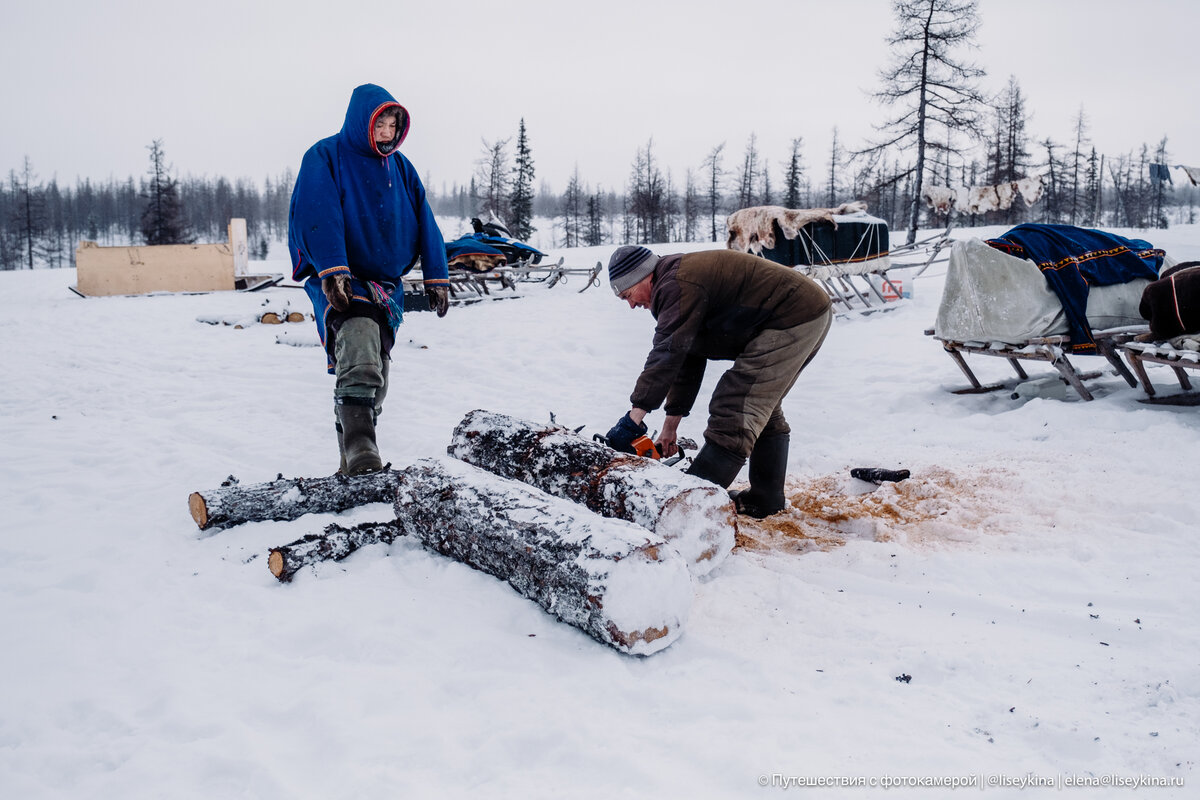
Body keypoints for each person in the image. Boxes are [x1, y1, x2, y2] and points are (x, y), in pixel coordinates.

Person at [288, 83, 450, 475]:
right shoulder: (326, 156)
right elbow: (317, 212)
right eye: (381, 124)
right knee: (358, 342)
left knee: (376, 370)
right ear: (363, 121)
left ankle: (354, 461)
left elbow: (425, 220)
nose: (388, 133)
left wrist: (437, 276)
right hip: (341, 279)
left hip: (384, 286)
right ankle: (362, 447)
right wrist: (333, 268)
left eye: (394, 126)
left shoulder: (402, 168)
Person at [604, 245, 833, 518]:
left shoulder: (675, 285)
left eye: (628, 295)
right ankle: (766, 499)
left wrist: (634, 418)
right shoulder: (673, 282)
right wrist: (669, 427)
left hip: (793, 316)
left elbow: (666, 353)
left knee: (736, 406)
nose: (631, 305)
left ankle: (685, 510)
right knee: (760, 407)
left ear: (642, 277)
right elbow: (686, 357)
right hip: (803, 313)